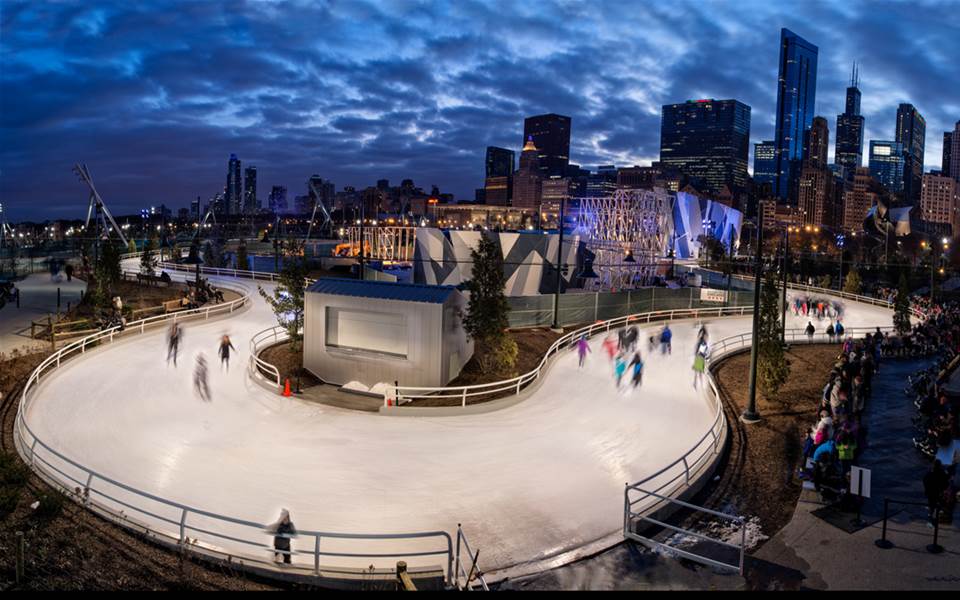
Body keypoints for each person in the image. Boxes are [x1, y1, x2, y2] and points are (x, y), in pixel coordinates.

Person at [923, 460, 949, 527]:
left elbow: (925, 480)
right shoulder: (942, 473)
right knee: (939, 504)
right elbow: (946, 483)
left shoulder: (930, 473)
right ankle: (937, 516)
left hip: (931, 492)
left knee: (931, 505)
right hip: (939, 492)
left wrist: (926, 489)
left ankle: (932, 518)